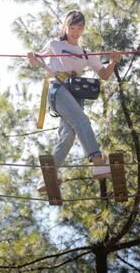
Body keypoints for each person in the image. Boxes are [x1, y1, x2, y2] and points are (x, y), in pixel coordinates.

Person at [27, 10, 121, 192]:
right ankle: (98, 162)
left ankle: (47, 177)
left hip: (76, 97)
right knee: (82, 121)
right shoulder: (54, 44)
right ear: (65, 27)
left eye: (79, 27)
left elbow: (104, 75)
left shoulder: (85, 53)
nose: (75, 31)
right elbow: (36, 61)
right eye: (72, 27)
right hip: (58, 90)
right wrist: (31, 56)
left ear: (83, 29)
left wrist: (113, 62)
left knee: (68, 137)